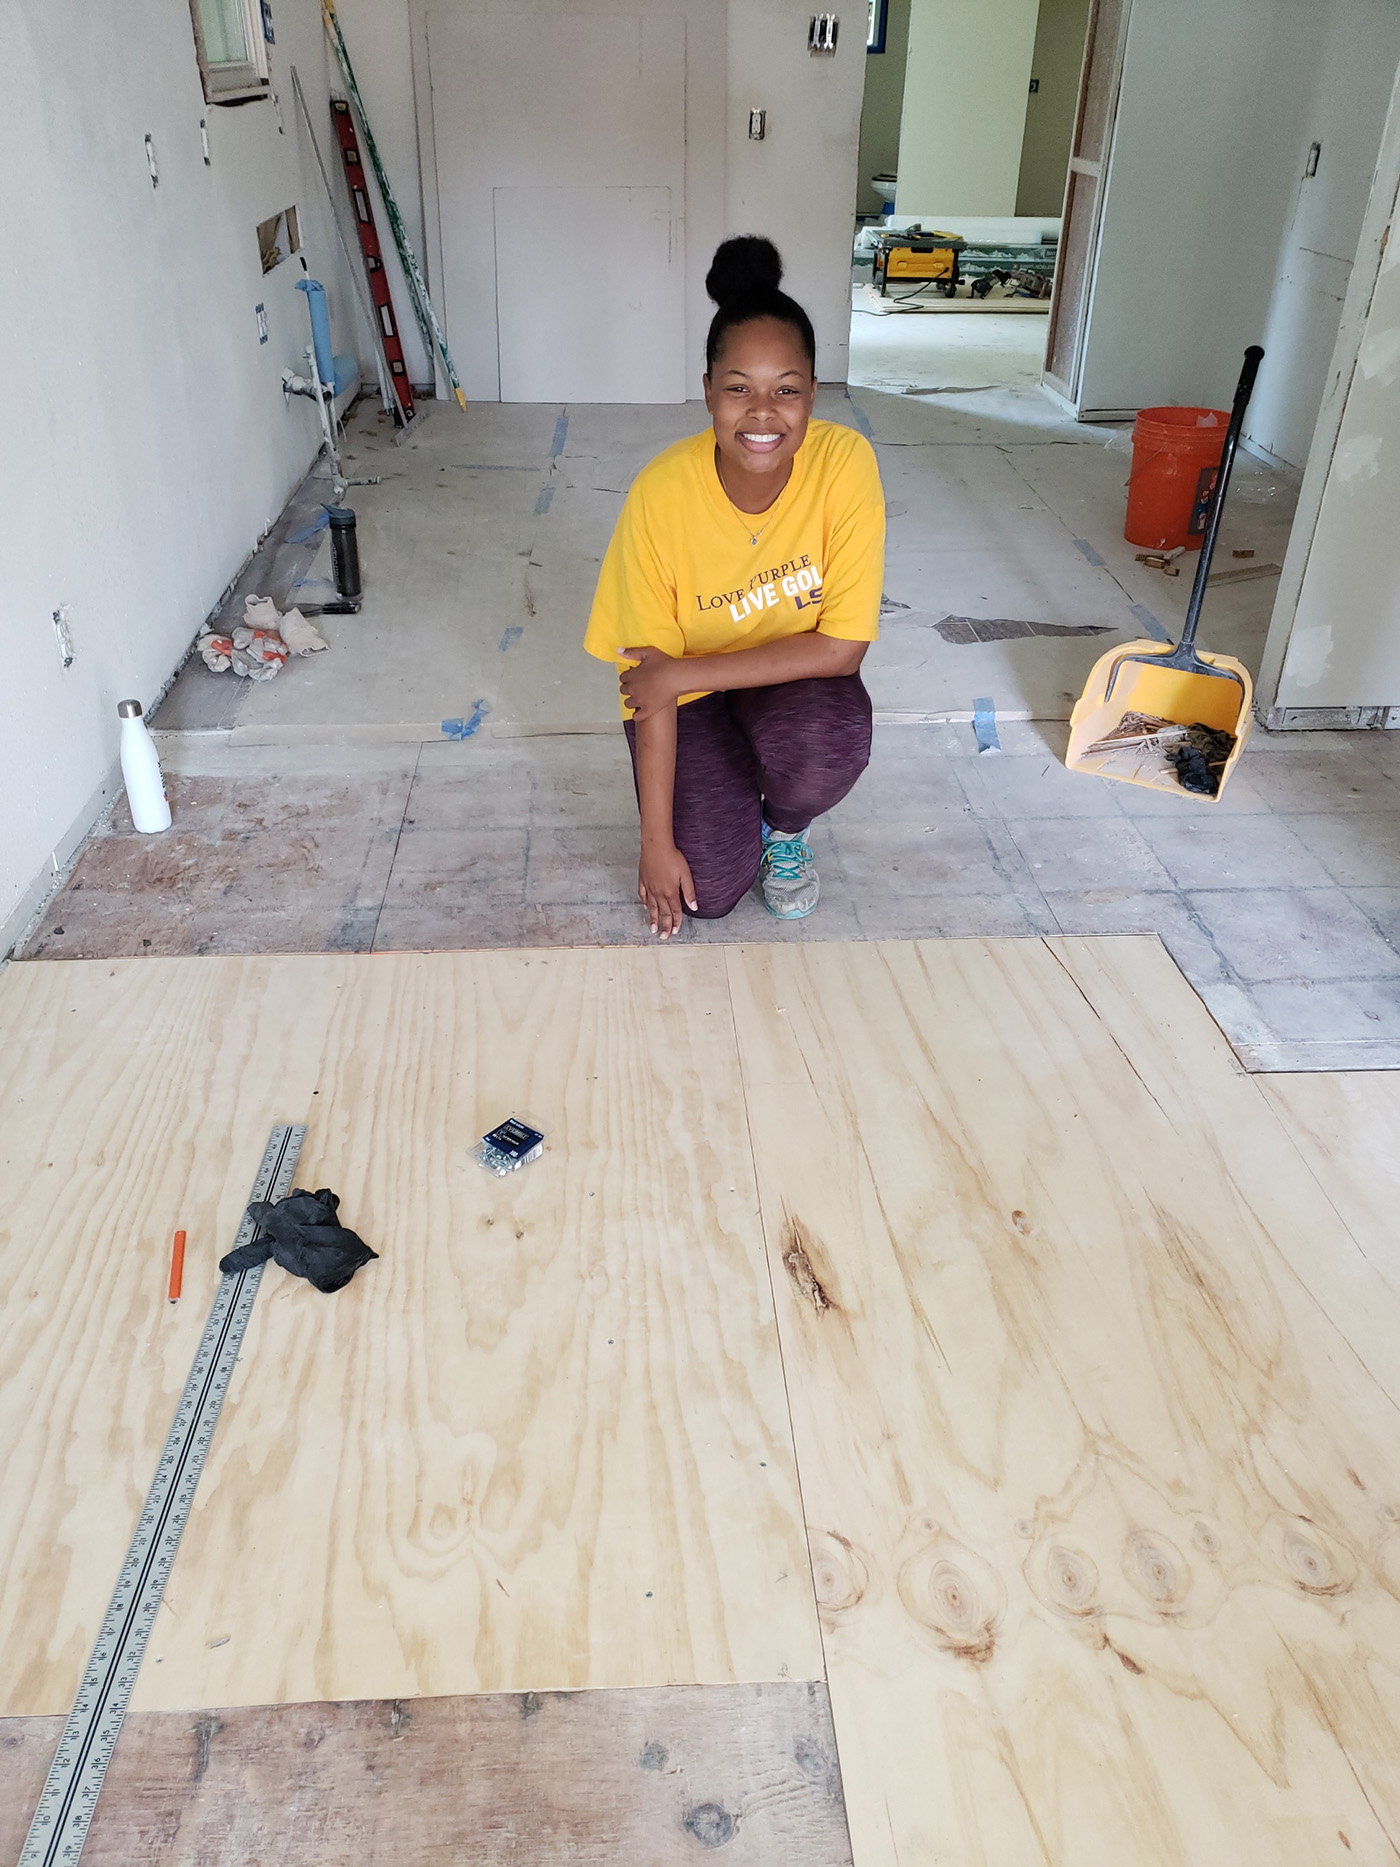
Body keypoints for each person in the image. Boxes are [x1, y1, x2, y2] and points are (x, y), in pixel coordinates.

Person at [584, 235, 885, 937]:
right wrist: (655, 845)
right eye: (738, 389)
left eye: (786, 390)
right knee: (709, 893)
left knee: (828, 738)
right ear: (708, 392)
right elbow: (650, 689)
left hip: (782, 683)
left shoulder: (844, 466)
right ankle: (729, 781)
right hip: (687, 703)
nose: (762, 414)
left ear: (813, 393)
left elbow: (842, 650)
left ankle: (784, 826)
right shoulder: (661, 495)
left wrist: (686, 670)